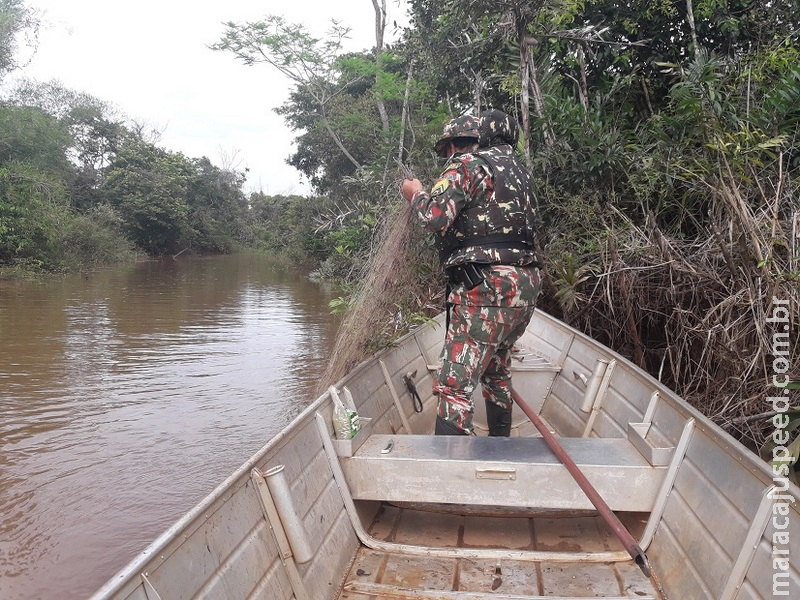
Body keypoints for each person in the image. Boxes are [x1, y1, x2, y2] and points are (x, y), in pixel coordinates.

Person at [400, 109, 541, 436]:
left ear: (454, 146)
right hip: (526, 286)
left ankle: (452, 476)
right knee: (496, 372)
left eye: (447, 150)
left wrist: (415, 194)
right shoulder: (520, 173)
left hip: (485, 288)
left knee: (453, 387)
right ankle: (501, 448)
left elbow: (435, 218)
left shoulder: (465, 165)